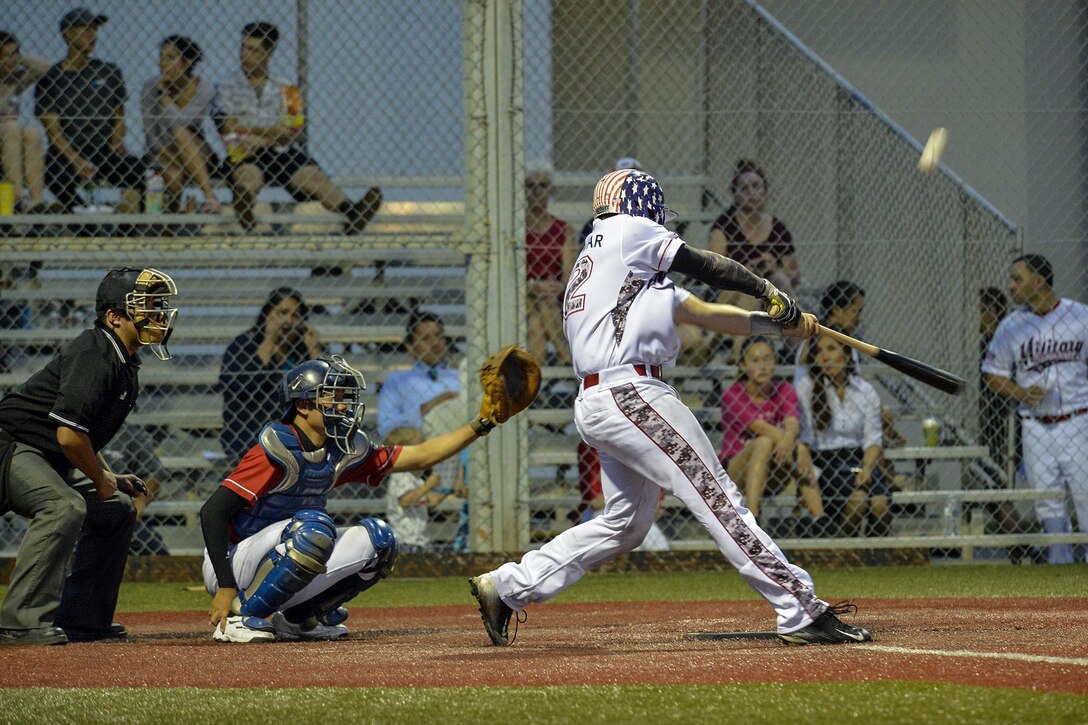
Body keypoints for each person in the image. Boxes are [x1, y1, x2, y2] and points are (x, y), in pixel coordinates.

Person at [470, 168, 871, 647]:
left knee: (625, 524)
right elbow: (706, 266)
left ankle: (509, 586)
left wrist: (782, 326)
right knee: (717, 495)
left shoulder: (612, 267)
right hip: (631, 394)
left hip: (602, 400)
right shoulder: (626, 231)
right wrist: (771, 292)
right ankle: (800, 607)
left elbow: (702, 312)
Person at [200, 354, 510, 642]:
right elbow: (213, 511)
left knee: (381, 540)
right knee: (315, 529)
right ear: (304, 405)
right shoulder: (277, 447)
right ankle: (242, 616)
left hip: (288, 548)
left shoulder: (340, 448)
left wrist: (481, 425)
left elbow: (420, 457)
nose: (345, 406)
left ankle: (301, 617)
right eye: (333, 397)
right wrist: (226, 587)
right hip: (233, 560)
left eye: (346, 398)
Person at [0, 267, 178, 645]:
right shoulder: (95, 353)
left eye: (159, 303)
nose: (158, 312)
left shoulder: (121, 361)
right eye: (146, 304)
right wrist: (99, 478)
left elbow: (82, 436)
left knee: (118, 508)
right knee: (63, 506)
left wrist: (110, 477)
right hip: (13, 445)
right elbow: (67, 435)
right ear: (114, 316)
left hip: (44, 453)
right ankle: (20, 622)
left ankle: (82, 618)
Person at [213, 21, 381, 234]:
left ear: (268, 54)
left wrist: (251, 131)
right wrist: (274, 130)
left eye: (253, 50)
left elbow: (294, 131)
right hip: (244, 151)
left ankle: (352, 213)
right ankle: (244, 209)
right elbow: (227, 126)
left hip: (280, 153)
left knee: (312, 176)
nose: (245, 55)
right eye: (243, 48)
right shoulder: (225, 86)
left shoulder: (288, 87)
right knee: (248, 177)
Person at [982, 254, 1088, 565]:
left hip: (1079, 420)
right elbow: (992, 373)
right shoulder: (1011, 325)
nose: (1011, 285)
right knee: (1047, 502)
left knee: (1085, 496)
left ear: (1039, 281)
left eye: (1018, 278)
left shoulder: (1080, 316)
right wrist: (1021, 392)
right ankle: (1060, 564)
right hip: (1035, 424)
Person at [35, 9, 146, 213]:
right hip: (68, 150)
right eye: (85, 29)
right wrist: (76, 160)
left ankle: (127, 230)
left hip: (103, 147)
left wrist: (116, 140)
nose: (92, 35)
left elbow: (118, 116)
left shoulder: (109, 71)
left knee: (136, 170)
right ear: (68, 34)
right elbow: (53, 131)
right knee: (55, 175)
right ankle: (81, 221)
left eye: (94, 29)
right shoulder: (50, 79)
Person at [721, 336, 827, 535]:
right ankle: (752, 519)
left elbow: (793, 424)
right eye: (755, 360)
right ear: (743, 365)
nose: (762, 366)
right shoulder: (733, 394)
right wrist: (798, 446)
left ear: (776, 362)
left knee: (791, 447)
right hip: (736, 472)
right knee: (764, 442)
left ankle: (819, 518)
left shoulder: (784, 390)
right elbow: (762, 428)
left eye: (768, 359)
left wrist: (797, 445)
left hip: (774, 469)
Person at [795, 332, 890, 537]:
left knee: (880, 504)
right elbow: (805, 438)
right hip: (827, 460)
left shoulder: (865, 390)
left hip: (858, 457)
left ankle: (876, 556)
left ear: (846, 354)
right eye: (819, 351)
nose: (825, 357)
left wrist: (866, 466)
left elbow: (873, 439)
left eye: (831, 349)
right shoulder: (807, 388)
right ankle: (846, 548)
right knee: (859, 501)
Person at [220, 287, 322, 465]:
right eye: (282, 313)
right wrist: (270, 339)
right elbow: (242, 385)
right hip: (248, 436)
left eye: (295, 315)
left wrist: (314, 349)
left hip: (296, 440)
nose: (288, 321)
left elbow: (327, 390)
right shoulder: (244, 345)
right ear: (268, 314)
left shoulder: (301, 351)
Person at [140, 35, 221, 214]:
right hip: (162, 152)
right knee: (173, 176)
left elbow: (183, 123)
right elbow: (151, 134)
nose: (163, 63)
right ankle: (170, 227)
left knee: (180, 133)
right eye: (161, 57)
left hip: (196, 150)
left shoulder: (204, 88)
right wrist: (173, 157)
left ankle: (209, 196)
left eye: (170, 57)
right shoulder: (150, 87)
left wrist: (165, 96)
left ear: (187, 61)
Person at [382, 426, 464, 553]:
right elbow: (405, 501)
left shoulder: (417, 479)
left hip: (419, 541)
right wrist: (428, 486)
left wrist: (449, 493)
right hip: (405, 541)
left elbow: (426, 501)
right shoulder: (401, 475)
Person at [525, 168, 574, 366]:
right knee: (542, 303)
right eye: (531, 186)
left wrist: (557, 287)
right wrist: (533, 286)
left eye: (542, 186)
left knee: (537, 323)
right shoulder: (516, 228)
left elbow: (569, 272)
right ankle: (566, 355)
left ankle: (532, 390)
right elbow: (513, 274)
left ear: (551, 190)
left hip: (554, 295)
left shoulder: (563, 228)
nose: (537, 191)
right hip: (525, 292)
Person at [0, 31, 48, 212]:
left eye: (16, 53)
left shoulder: (16, 78)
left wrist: (20, 58)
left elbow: (47, 69)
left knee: (31, 131)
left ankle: (37, 202)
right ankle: (17, 199)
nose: (13, 60)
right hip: (6, 131)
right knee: (12, 128)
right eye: (7, 55)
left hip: (9, 135)